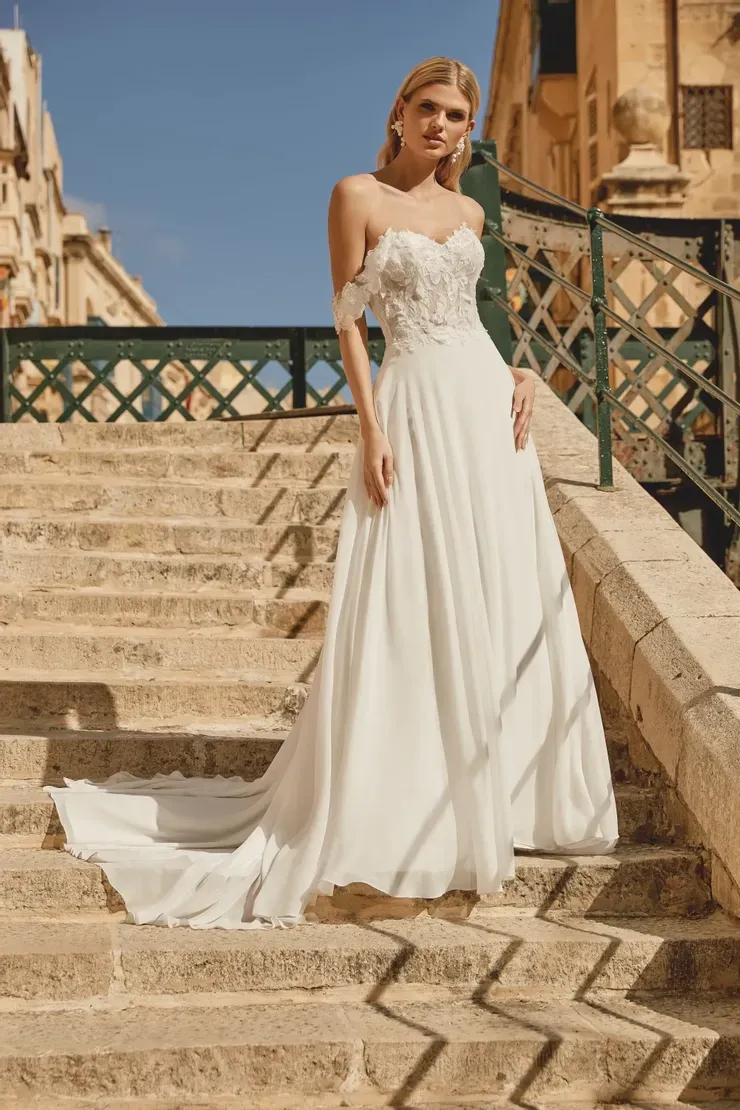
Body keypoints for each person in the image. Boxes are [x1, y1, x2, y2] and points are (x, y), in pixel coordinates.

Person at [45, 56, 619, 930]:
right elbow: (349, 321)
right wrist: (371, 427)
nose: (440, 125)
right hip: (414, 402)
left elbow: (473, 316)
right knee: (415, 594)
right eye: (427, 108)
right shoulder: (356, 196)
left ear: (467, 131)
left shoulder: (469, 212)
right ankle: (407, 805)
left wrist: (521, 371)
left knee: (501, 584)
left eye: (455, 115)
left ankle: (509, 795)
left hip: (484, 406)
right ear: (399, 111)